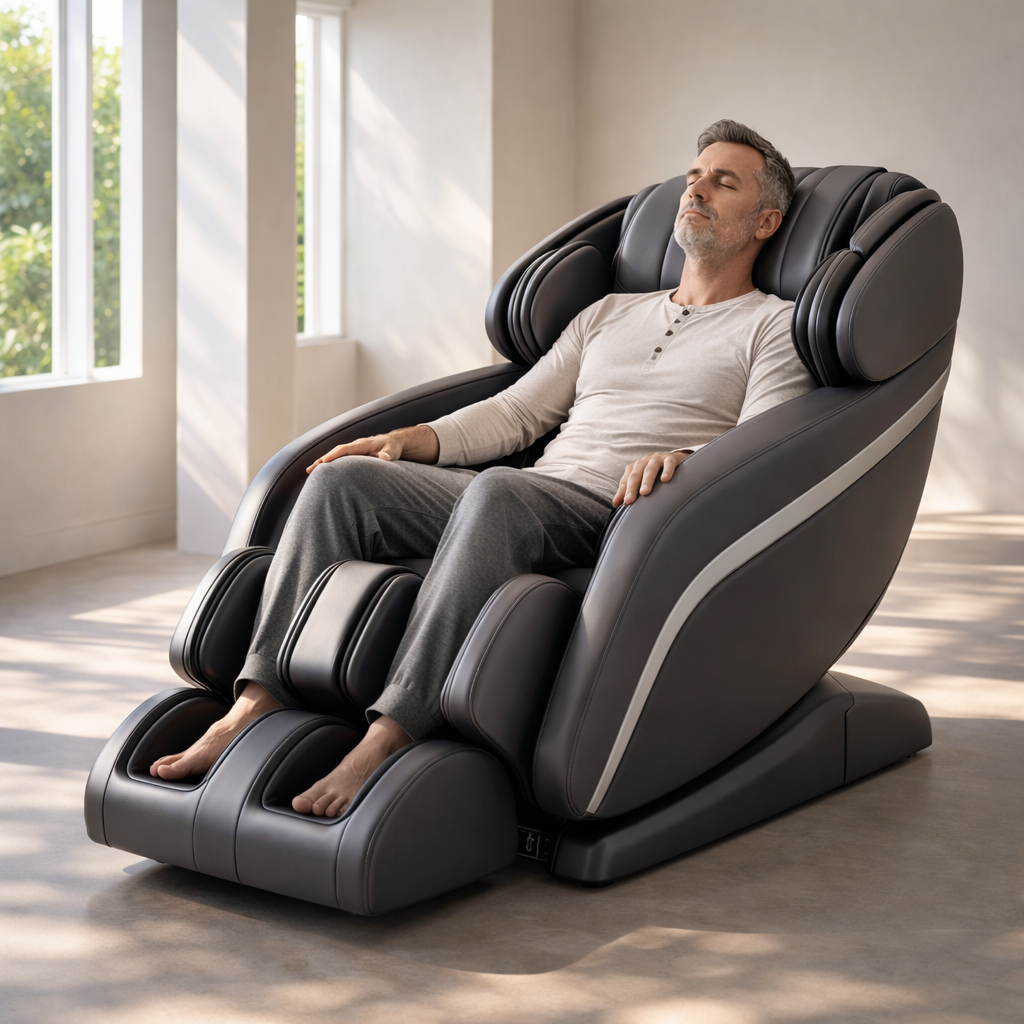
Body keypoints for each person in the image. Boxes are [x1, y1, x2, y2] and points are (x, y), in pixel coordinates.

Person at [151, 119, 816, 817]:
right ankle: (254, 702)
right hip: (524, 494)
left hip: (621, 516)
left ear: (765, 220)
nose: (696, 187)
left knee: (499, 492)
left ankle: (389, 735)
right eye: (694, 174)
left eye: (723, 180)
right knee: (341, 481)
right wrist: (408, 439)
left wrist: (687, 459)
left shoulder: (772, 327)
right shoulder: (610, 314)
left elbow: (766, 445)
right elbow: (517, 414)